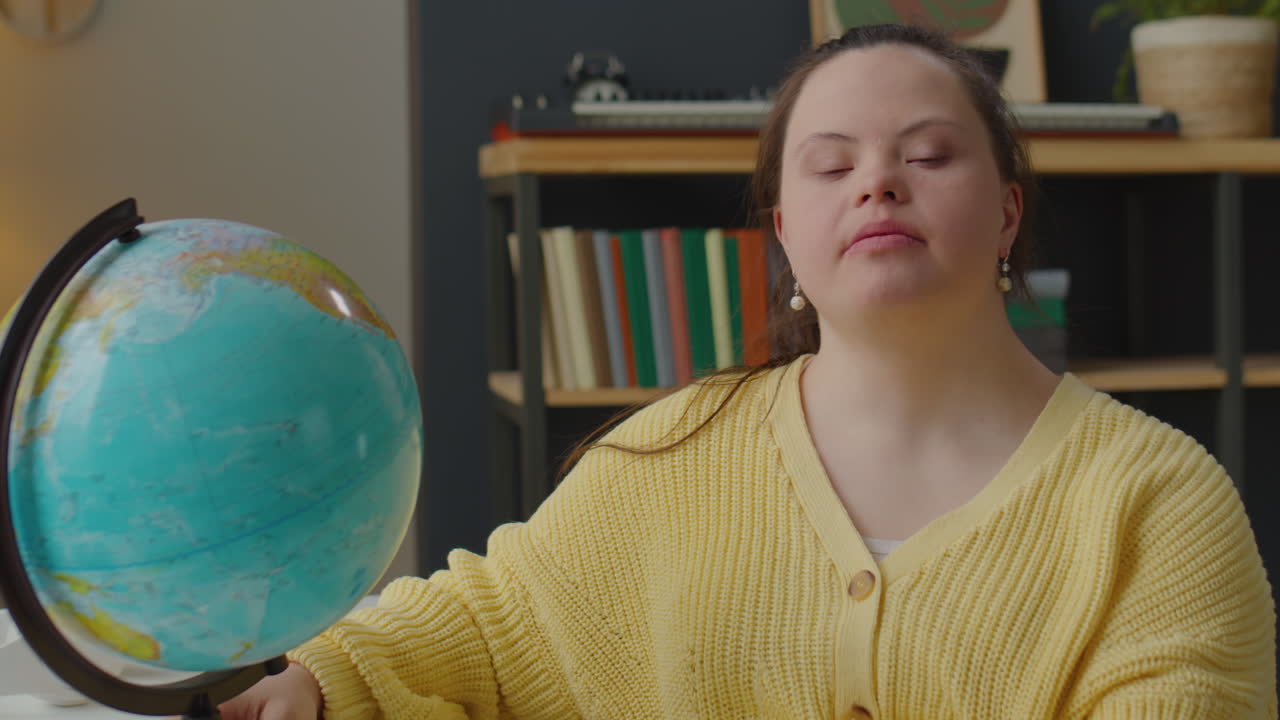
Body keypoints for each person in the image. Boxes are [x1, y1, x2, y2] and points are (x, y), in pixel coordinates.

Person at [219, 23, 1277, 719]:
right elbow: (492, 621)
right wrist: (323, 676)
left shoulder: (1157, 508)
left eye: (927, 154)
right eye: (830, 163)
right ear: (784, 234)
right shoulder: (667, 455)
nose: (876, 184)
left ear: (1006, 210)